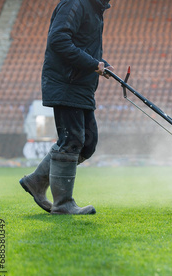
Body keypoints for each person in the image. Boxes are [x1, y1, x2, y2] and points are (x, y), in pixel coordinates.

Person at [20, 0, 113, 215]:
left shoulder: (95, 9)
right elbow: (58, 40)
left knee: (87, 144)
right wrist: (92, 64)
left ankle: (36, 181)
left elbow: (82, 46)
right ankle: (63, 204)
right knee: (72, 141)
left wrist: (100, 63)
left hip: (81, 85)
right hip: (66, 84)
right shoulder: (75, 3)